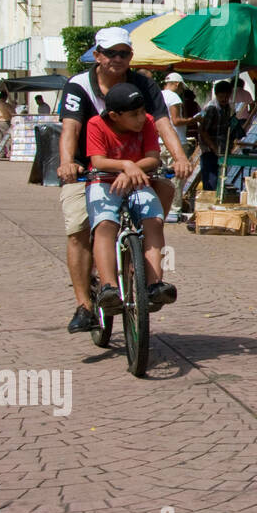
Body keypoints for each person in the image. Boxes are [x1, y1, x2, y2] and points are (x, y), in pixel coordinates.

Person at [57, 27, 190, 333]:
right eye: (110, 53)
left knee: (162, 196)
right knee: (79, 227)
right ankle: (85, 306)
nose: (117, 59)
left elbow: (163, 124)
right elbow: (70, 130)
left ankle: (142, 268)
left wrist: (180, 158)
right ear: (97, 55)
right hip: (90, 170)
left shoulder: (143, 86)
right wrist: (66, 163)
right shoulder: (78, 86)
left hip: (138, 170)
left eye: (124, 53)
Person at [86, 83, 176, 310]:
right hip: (104, 182)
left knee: (154, 221)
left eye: (141, 112)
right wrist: (126, 166)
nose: (140, 118)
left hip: (138, 182)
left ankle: (155, 284)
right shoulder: (96, 124)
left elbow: (153, 157)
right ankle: (108, 286)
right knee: (105, 224)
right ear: (115, 116)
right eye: (133, 115)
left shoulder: (146, 121)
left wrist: (132, 171)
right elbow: (98, 161)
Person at [197, 80, 239, 192]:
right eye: (221, 97)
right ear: (216, 95)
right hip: (210, 151)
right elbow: (203, 131)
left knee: (220, 181)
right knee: (211, 183)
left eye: (227, 96)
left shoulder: (228, 108)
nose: (224, 99)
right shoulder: (211, 108)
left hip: (222, 150)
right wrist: (214, 148)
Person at [160, 72, 191, 221]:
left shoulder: (158, 95)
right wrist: (194, 119)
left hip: (159, 141)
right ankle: (174, 210)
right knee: (177, 177)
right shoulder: (174, 97)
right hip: (176, 141)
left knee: (161, 176)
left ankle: (161, 208)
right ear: (177, 84)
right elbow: (176, 121)